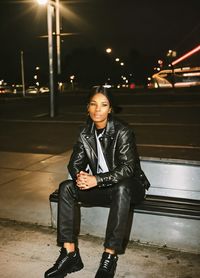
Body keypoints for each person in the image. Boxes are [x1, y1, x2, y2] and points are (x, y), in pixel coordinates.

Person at [44, 85, 150, 278]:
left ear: (110, 109)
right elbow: (74, 164)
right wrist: (81, 177)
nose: (97, 109)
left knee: (122, 188)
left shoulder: (122, 131)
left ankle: (109, 257)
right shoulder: (85, 133)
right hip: (103, 187)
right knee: (66, 187)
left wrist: (97, 180)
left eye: (103, 105)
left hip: (130, 187)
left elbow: (127, 169)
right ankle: (70, 254)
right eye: (93, 104)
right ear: (88, 107)